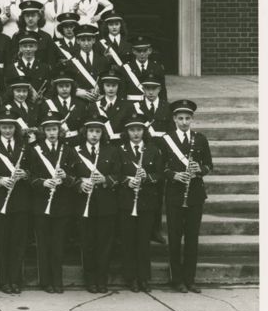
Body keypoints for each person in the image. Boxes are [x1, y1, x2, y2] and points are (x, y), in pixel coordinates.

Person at [161, 99, 213, 293]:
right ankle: (177, 280)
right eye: (180, 118)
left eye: (187, 118)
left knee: (192, 238)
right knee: (174, 237)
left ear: (192, 119)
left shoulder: (200, 139)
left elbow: (209, 165)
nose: (184, 122)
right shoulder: (166, 139)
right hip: (175, 194)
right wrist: (174, 175)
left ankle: (190, 279)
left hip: (195, 195)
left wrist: (200, 169)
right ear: (174, 119)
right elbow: (160, 168)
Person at [73, 119, 122, 293]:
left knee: (105, 244)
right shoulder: (76, 151)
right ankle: (90, 279)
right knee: (88, 243)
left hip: (106, 204)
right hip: (84, 204)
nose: (94, 135)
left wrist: (106, 180)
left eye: (98, 132)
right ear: (85, 132)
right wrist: (79, 184)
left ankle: (102, 279)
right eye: (91, 131)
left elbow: (119, 174)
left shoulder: (112, 151)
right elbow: (69, 175)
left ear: (103, 133)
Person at [118, 115, 164, 293]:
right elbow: (115, 172)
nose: (136, 133)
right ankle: (131, 278)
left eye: (139, 130)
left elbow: (160, 174)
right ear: (127, 132)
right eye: (132, 130)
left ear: (144, 131)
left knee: (143, 240)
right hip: (126, 202)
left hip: (146, 202)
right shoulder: (120, 150)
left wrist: (148, 177)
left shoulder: (153, 150)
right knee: (128, 241)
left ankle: (144, 277)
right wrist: (127, 181)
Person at [0, 109, 31, 294]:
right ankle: (3, 279)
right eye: (4, 127)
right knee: (2, 241)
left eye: (11, 127)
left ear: (15, 128)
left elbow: (33, 170)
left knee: (18, 241)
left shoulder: (24, 147)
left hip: (20, 200)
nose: (7, 130)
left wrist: (25, 174)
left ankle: (16, 279)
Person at [29, 116, 74, 293]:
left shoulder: (67, 150)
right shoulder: (35, 150)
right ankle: (45, 281)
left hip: (61, 204)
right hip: (41, 203)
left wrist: (65, 177)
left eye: (54, 129)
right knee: (44, 243)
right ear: (44, 132)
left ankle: (58, 280)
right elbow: (30, 176)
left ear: (59, 131)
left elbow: (74, 176)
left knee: (58, 244)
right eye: (48, 130)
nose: (52, 133)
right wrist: (42, 183)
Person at [120, 35, 169, 104]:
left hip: (151, 106)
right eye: (139, 51)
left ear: (150, 51)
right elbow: (122, 93)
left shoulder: (157, 68)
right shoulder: (125, 69)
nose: (142, 54)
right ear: (134, 51)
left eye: (144, 50)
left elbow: (162, 92)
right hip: (131, 107)